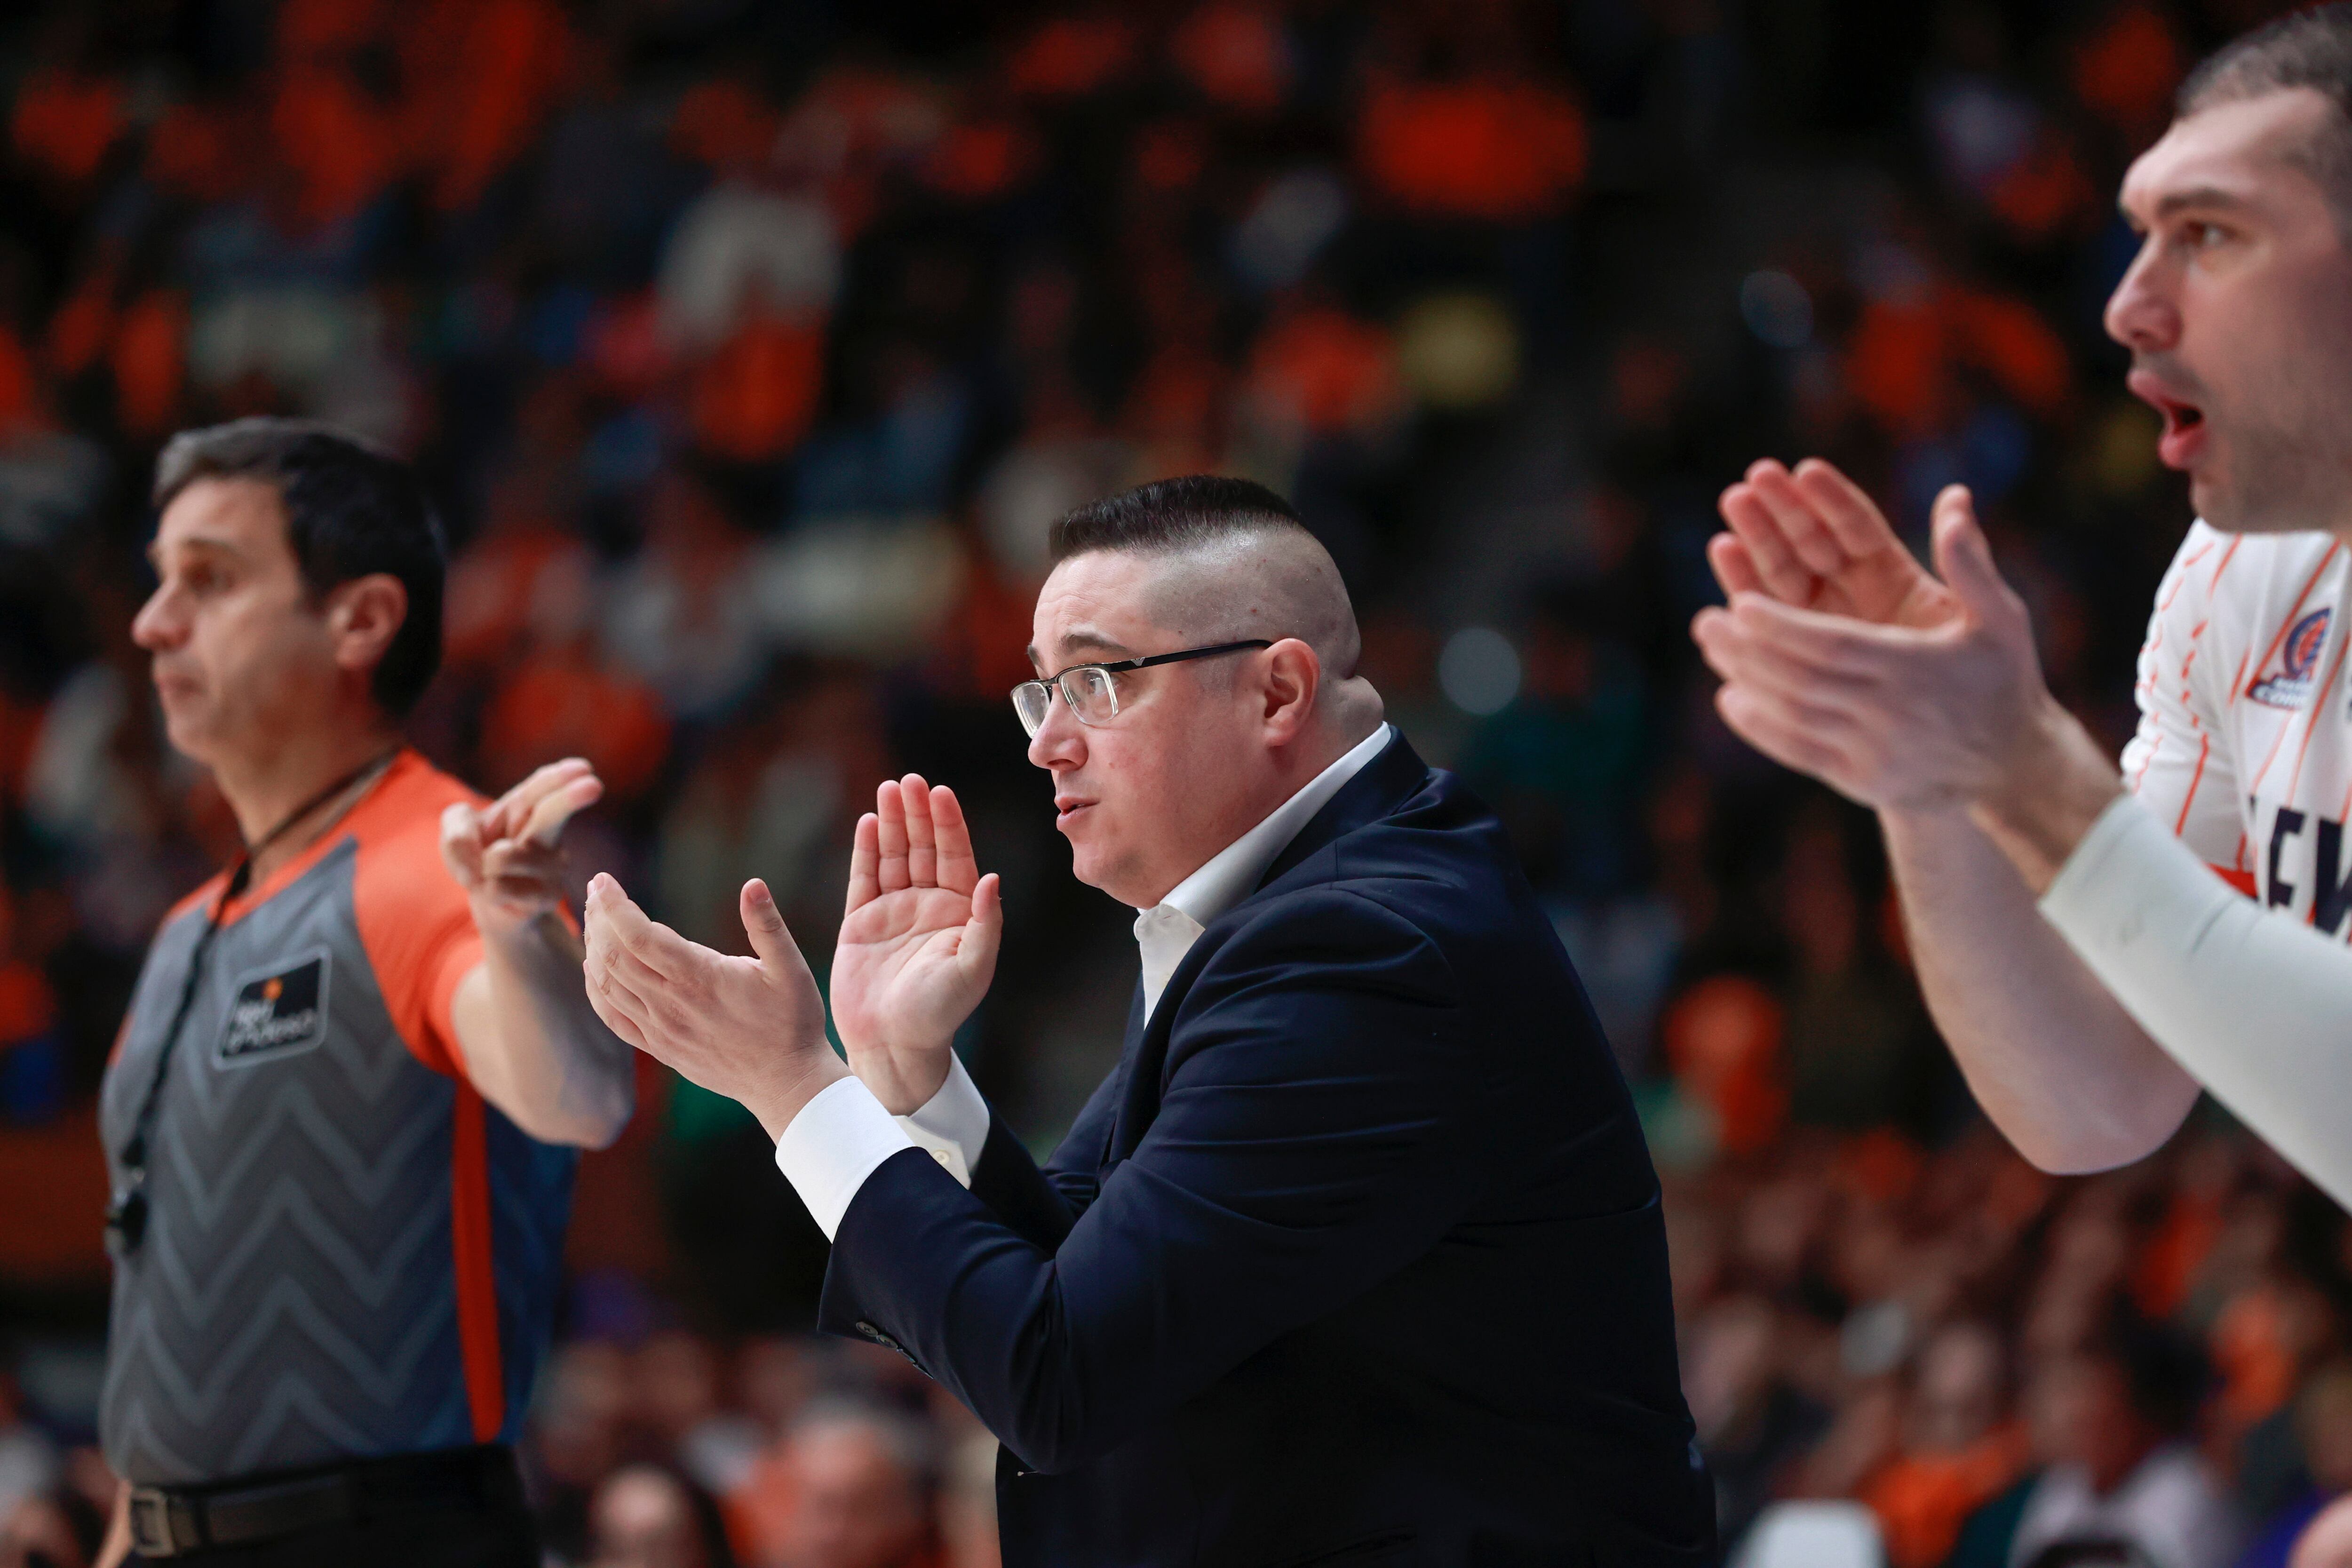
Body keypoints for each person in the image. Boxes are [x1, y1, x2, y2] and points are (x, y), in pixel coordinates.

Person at [580, 476, 1714, 1565]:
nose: (1045, 741)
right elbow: (1080, 1273)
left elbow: (1058, 1371)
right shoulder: (1291, 905)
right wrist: (910, 1074)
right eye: (1040, 690)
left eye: (1096, 682)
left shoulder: (1363, 953)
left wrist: (794, 1088)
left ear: (1277, 692)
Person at [1688, 7, 2352, 1211]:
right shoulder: (2230, 582)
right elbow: (2098, 1101)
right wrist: (1933, 780)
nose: (2130, 304)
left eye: (2209, 233)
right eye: (2141, 234)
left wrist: (2032, 774)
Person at [94, 419, 635, 1566]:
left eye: (210, 579)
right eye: (159, 583)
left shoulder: (425, 865)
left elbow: (582, 1099)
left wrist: (509, 926)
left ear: (362, 619)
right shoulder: (188, 927)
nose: (154, 623)